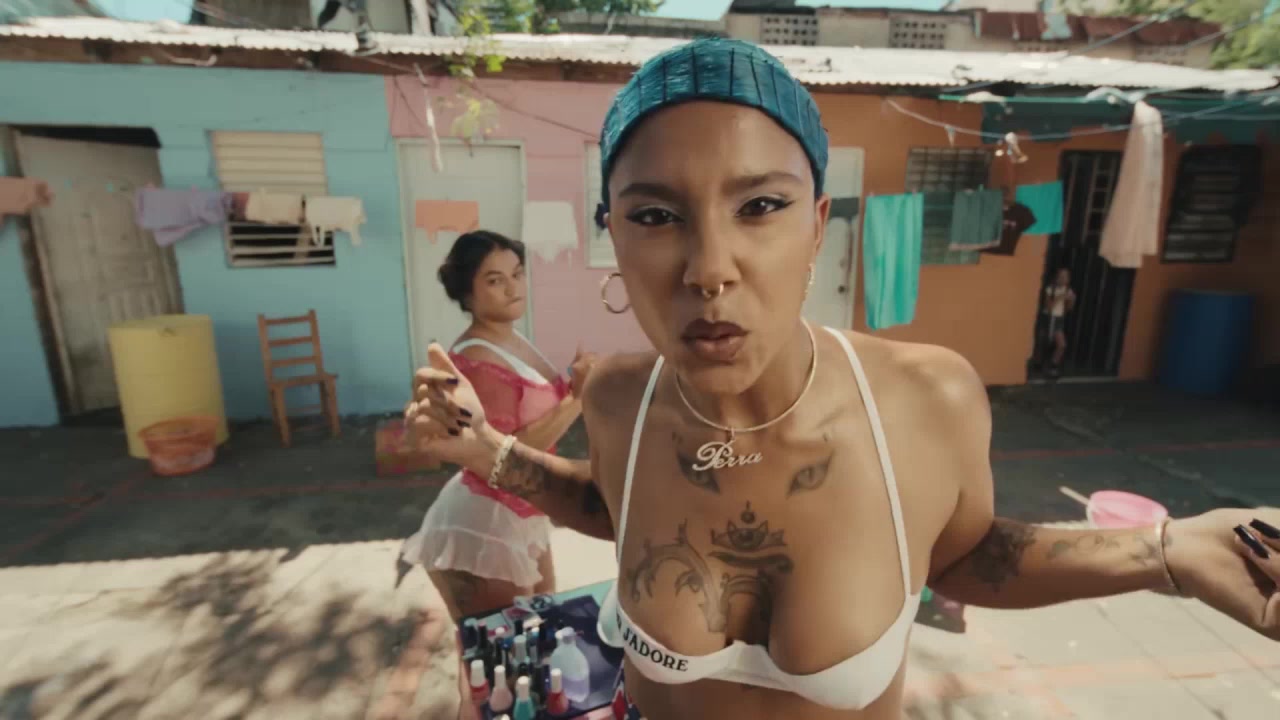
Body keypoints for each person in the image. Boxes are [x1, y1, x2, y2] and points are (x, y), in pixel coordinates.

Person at [405, 38, 1280, 720]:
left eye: (760, 206)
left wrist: (1166, 552)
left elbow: (963, 555)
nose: (710, 269)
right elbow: (615, 507)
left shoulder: (924, 399)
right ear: (615, 235)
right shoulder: (618, 397)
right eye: (657, 215)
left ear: (818, 225)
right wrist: (488, 452)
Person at [398, 230, 598, 620]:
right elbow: (507, 451)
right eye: (495, 280)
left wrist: (577, 387)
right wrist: (577, 397)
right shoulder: (477, 357)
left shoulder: (510, 338)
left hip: (526, 508)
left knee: (542, 631)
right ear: (466, 292)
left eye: (517, 273)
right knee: (500, 647)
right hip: (486, 522)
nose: (513, 288)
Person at [1043, 267, 1076, 376]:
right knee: (1044, 343)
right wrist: (1060, 297)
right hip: (1048, 318)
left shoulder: (1068, 291)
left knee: (1061, 345)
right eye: (1061, 276)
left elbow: (1069, 309)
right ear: (1056, 277)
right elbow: (1049, 307)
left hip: (1059, 319)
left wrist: (1072, 300)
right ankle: (1040, 364)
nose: (1063, 279)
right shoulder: (1050, 289)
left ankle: (1053, 366)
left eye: (1065, 277)